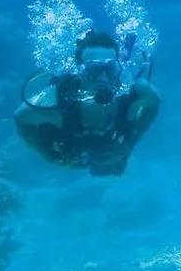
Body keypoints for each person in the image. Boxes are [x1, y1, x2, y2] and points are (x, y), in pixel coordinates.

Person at [14, 26, 160, 174]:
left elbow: (154, 101)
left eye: (111, 70)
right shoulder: (57, 102)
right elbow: (21, 117)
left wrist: (127, 146)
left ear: (120, 67)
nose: (103, 79)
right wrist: (49, 154)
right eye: (93, 71)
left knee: (115, 170)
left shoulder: (133, 93)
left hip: (109, 145)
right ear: (78, 71)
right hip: (69, 146)